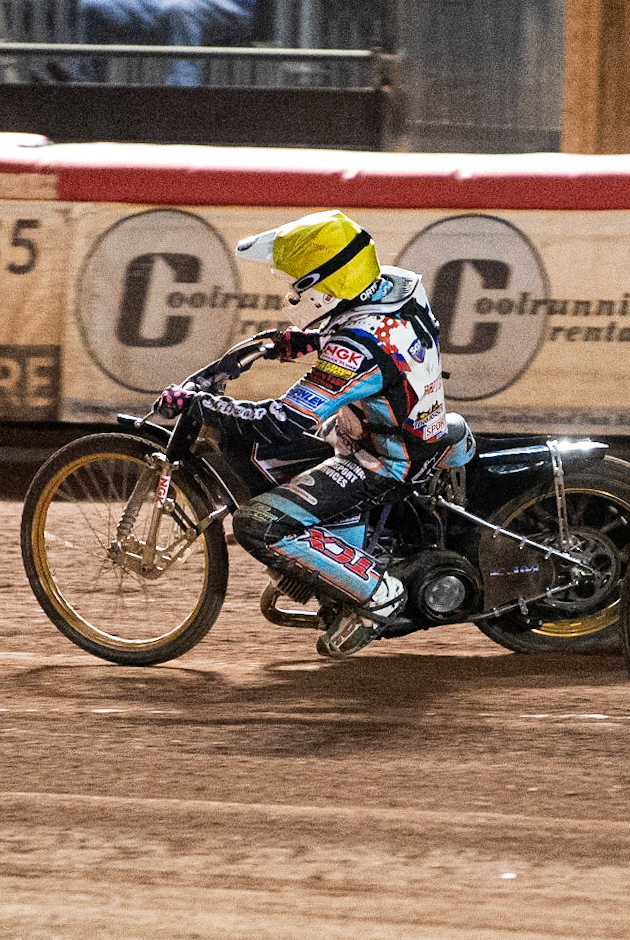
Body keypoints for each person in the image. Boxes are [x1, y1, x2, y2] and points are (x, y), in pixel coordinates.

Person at [156, 209, 473, 658]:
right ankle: (342, 555)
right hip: (407, 428)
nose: (293, 292)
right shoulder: (397, 287)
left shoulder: (357, 349)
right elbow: (347, 326)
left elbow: (283, 422)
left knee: (258, 524)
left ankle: (377, 594)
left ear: (327, 285)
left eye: (300, 282)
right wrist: (286, 343)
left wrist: (203, 405)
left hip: (383, 460)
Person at [74, 0, 258, 86]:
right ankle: (84, 89)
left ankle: (182, 98)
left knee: (181, 9)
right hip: (165, 4)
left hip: (231, 7)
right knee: (93, 7)